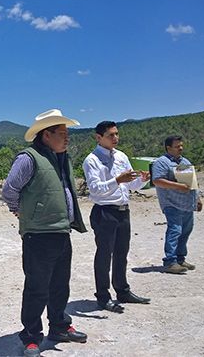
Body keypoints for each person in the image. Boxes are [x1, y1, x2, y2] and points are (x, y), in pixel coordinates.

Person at [2, 109, 88, 356]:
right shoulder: (28, 158)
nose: (67, 137)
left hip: (61, 231)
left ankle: (59, 326)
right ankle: (30, 337)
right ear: (46, 135)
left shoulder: (61, 157)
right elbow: (9, 190)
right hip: (38, 235)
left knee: (60, 285)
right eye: (62, 133)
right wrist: (22, 212)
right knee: (37, 287)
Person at [82, 121, 151, 314]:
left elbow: (131, 186)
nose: (115, 138)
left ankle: (123, 291)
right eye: (111, 135)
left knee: (122, 253)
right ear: (98, 137)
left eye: (116, 134)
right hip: (104, 212)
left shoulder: (121, 157)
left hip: (123, 210)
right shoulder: (92, 160)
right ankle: (103, 297)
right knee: (104, 255)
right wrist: (117, 180)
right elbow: (95, 189)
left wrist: (141, 181)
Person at [152, 135, 202, 274]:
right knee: (175, 231)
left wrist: (197, 199)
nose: (180, 148)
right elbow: (157, 180)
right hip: (171, 203)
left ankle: (180, 259)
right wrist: (178, 186)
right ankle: (170, 262)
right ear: (168, 148)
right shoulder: (161, 162)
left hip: (186, 204)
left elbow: (192, 182)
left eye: (181, 145)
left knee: (186, 231)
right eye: (177, 146)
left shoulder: (184, 161)